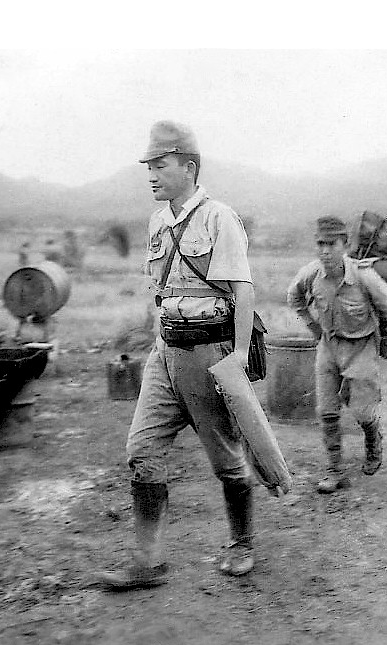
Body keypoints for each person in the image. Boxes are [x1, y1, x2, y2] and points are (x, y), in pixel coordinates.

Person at [98, 120, 257, 590]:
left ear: (189, 167)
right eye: (148, 165)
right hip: (165, 354)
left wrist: (239, 355)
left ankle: (242, 543)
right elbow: (160, 292)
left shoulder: (218, 218)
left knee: (227, 459)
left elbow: (242, 291)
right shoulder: (157, 222)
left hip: (209, 355)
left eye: (160, 164)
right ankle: (147, 562)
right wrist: (155, 341)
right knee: (141, 449)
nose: (151, 174)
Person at [286, 216, 387, 493]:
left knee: (363, 412)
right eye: (320, 244)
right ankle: (335, 471)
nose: (325, 251)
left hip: (360, 347)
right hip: (329, 346)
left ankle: (373, 439)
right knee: (326, 412)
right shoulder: (311, 273)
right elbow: (294, 297)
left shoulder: (363, 276)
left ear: (345, 245)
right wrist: (313, 327)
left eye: (332, 244)